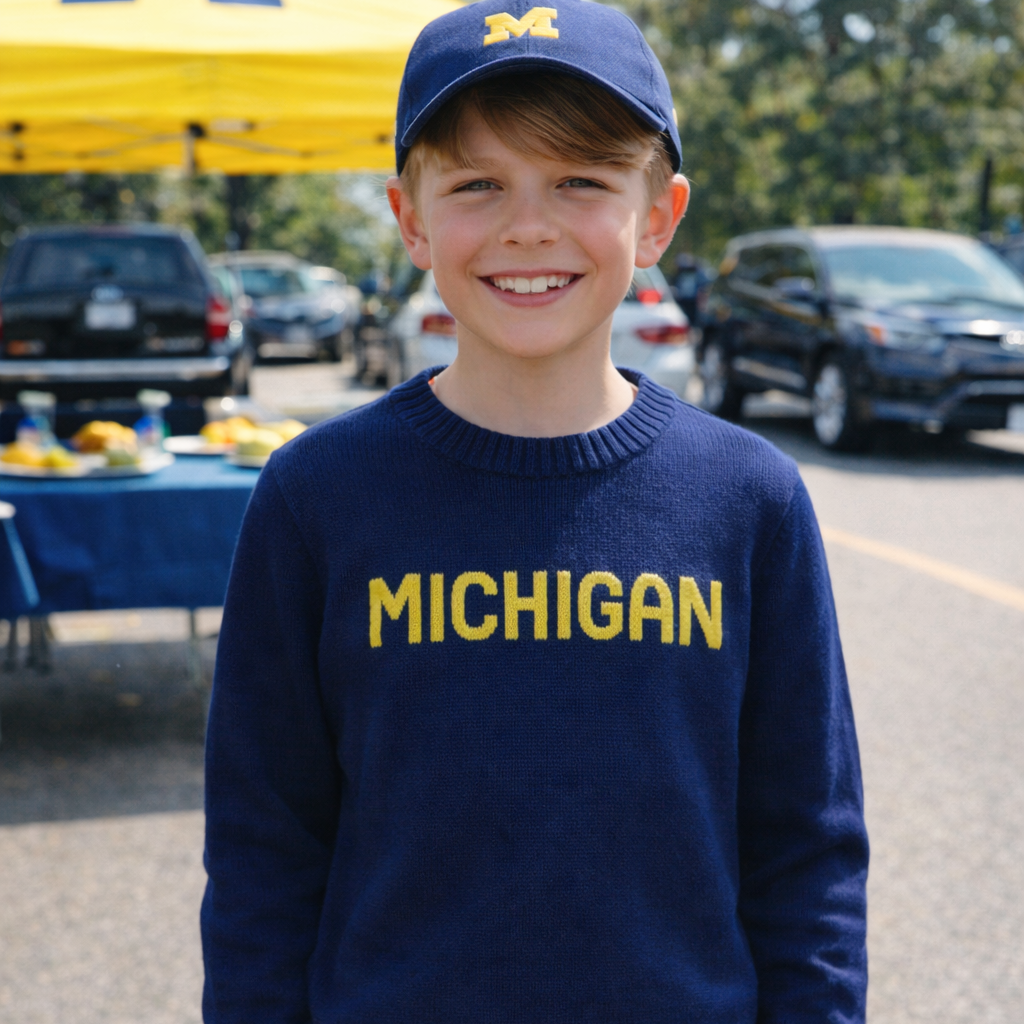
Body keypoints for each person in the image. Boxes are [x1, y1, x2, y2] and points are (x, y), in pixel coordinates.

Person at [201, 2, 869, 1021]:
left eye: (579, 181)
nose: (527, 224)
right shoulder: (314, 498)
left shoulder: (749, 499)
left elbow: (806, 852)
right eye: (477, 183)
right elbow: (263, 850)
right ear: (410, 217)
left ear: (657, 216)